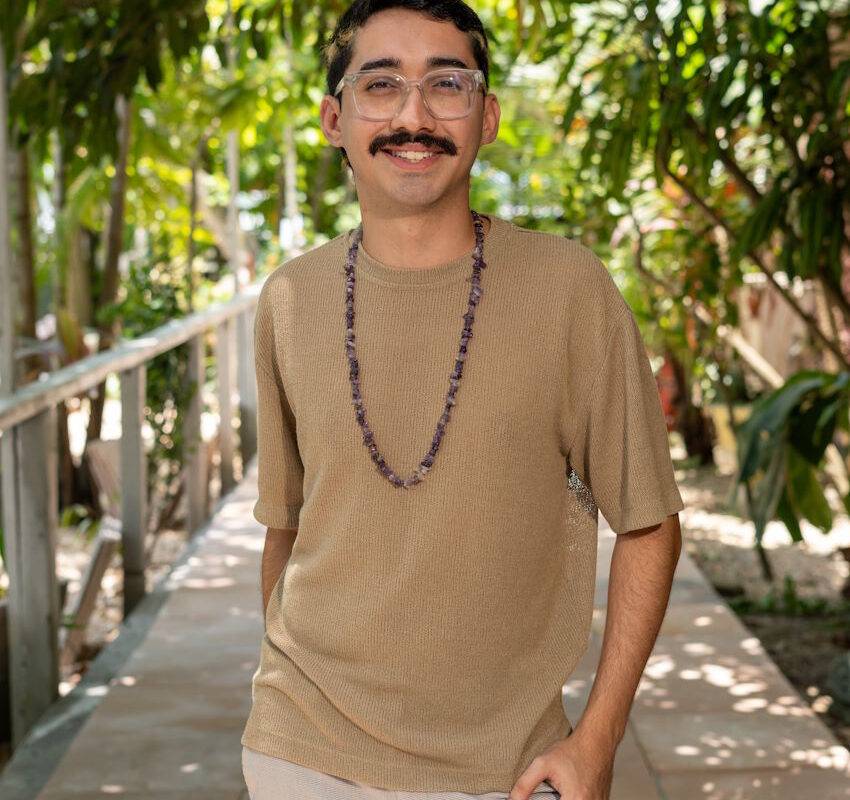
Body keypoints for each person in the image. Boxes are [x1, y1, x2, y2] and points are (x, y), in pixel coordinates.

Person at [240, 2, 685, 799]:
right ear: (335, 119)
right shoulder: (289, 299)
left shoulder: (569, 290)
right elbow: (288, 525)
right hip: (301, 754)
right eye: (381, 85)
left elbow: (649, 524)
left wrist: (598, 738)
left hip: (506, 768)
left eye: (447, 84)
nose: (413, 117)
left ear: (488, 118)